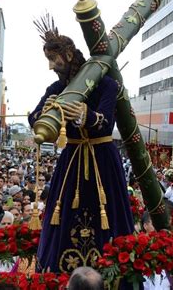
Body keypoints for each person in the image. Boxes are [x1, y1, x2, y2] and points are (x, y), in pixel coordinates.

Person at [29, 15, 133, 273]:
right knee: (63, 215)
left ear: (69, 54)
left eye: (55, 59)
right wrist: (46, 111)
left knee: (109, 212)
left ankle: (113, 270)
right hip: (72, 156)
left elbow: (107, 122)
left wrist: (85, 115)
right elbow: (34, 118)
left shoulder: (105, 83)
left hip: (103, 157)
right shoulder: (56, 87)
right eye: (48, 60)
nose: (52, 66)